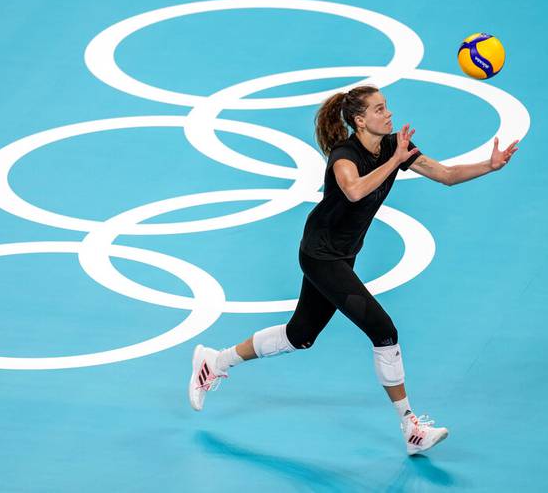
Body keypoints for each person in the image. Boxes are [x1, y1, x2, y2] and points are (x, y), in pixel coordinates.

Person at [187, 85, 519, 456]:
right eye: (379, 109)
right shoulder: (344, 156)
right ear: (360, 120)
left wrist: (489, 167)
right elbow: (354, 191)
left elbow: (447, 175)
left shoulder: (394, 146)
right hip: (320, 255)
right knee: (384, 330)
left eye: (387, 107)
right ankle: (411, 426)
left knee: (300, 335)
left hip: (343, 254)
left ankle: (214, 360)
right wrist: (394, 160)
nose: (388, 114)